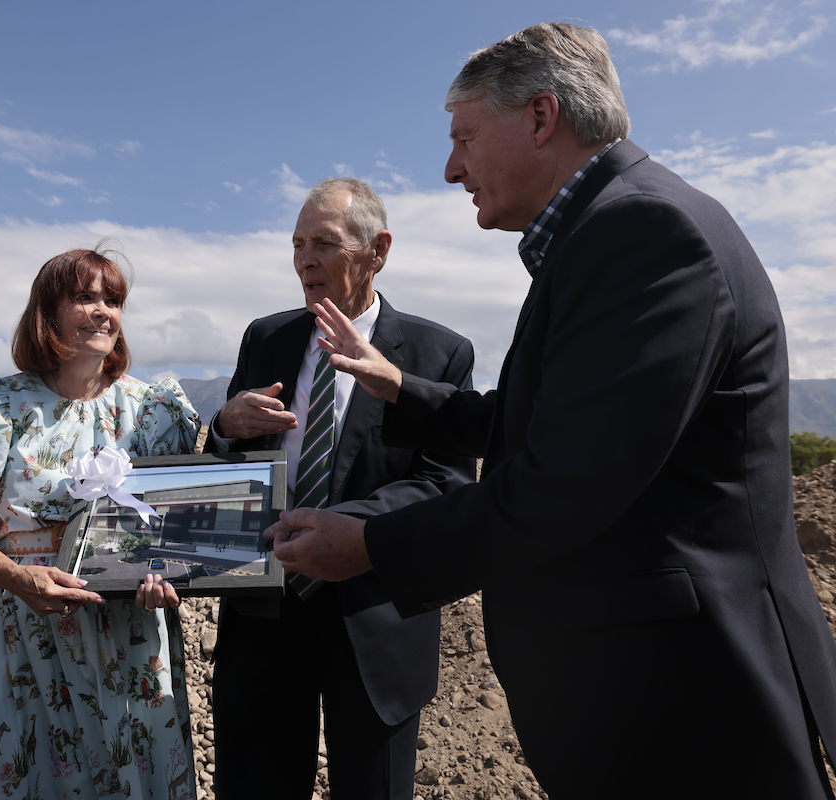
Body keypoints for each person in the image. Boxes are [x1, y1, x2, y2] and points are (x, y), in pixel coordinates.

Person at [267, 23, 836, 799]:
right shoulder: (610, 230)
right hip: (657, 696)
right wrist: (402, 389)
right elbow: (557, 425)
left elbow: (560, 484)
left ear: (541, 117)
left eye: (464, 137)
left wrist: (369, 545)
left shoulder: (645, 233)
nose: (450, 168)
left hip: (690, 706)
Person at [204, 177, 475, 799]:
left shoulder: (437, 353)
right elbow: (229, 465)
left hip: (375, 621)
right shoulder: (265, 339)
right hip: (264, 619)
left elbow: (445, 481)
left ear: (377, 251)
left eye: (323, 243)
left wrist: (348, 530)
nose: (305, 259)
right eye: (297, 244)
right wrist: (225, 424)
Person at [0, 248, 201, 800]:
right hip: (15, 621)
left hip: (124, 628)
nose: (102, 311)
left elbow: (168, 534)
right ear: (47, 312)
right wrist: (25, 580)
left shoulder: (155, 410)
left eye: (113, 300)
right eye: (85, 297)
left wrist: (167, 577)